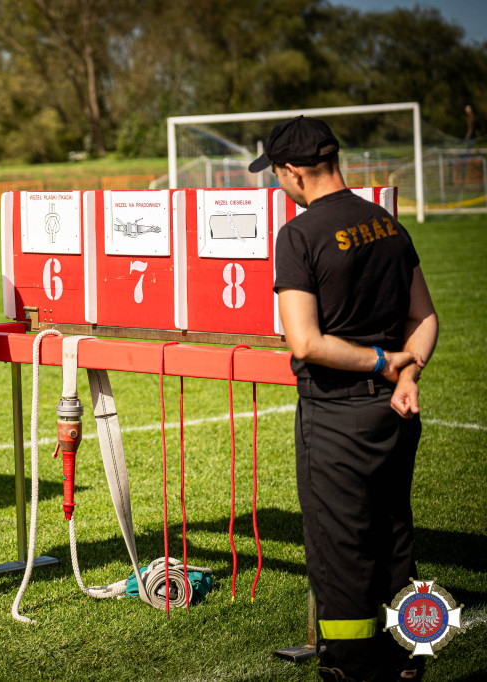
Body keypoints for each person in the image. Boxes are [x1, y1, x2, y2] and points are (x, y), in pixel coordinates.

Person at [249, 117, 438, 682]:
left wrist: (382, 363)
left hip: (337, 418)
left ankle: (354, 668)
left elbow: (305, 341)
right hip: (396, 413)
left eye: (278, 175)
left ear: (292, 171)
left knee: (342, 548)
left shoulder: (299, 235)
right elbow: (423, 316)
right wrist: (407, 374)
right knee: (392, 533)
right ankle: (408, 653)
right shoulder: (386, 224)